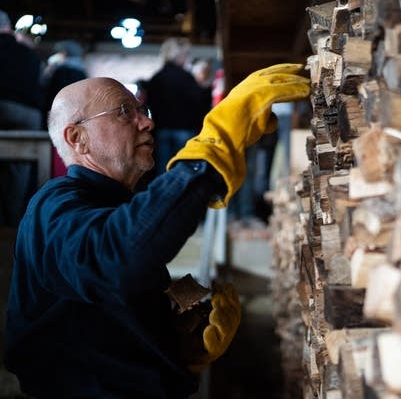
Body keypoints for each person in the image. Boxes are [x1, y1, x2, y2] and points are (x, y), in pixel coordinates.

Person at [4, 63, 310, 397]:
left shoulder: (111, 207)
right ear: (78, 139)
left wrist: (176, 343)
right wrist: (212, 148)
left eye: (142, 110)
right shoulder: (54, 205)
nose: (147, 122)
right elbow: (118, 259)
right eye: (123, 112)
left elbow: (109, 308)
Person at [0, 9, 44, 228]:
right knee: (19, 168)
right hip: (27, 114)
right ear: (8, 27)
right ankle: (14, 218)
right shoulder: (29, 54)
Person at [147, 38, 212, 177]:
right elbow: (200, 103)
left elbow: (151, 105)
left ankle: (163, 198)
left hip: (162, 130)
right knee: (183, 170)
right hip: (185, 130)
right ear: (179, 55)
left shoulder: (157, 78)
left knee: (162, 171)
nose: (187, 58)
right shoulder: (186, 77)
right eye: (185, 54)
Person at [41, 39, 89, 178]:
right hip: (79, 122)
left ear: (64, 53)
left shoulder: (60, 71)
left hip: (59, 121)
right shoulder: (82, 73)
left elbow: (51, 96)